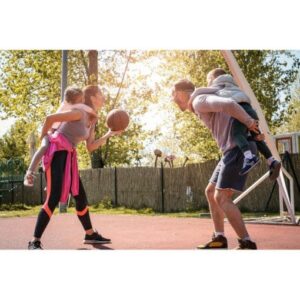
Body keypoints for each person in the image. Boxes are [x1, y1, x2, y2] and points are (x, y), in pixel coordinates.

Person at [28, 85, 122, 250]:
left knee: (80, 197)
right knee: (53, 197)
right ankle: (35, 241)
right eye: (101, 94)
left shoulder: (91, 118)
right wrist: (45, 140)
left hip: (69, 156)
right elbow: (50, 118)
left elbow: (90, 146)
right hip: (57, 153)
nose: (104, 97)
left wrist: (109, 134)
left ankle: (90, 234)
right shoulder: (79, 112)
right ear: (92, 97)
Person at [172, 79, 259, 249]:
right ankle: (219, 238)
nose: (174, 99)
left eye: (174, 95)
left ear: (182, 92)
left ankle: (246, 243)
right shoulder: (201, 100)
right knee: (211, 192)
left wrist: (249, 122)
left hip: (237, 150)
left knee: (222, 197)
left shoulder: (198, 100)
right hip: (229, 151)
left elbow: (228, 104)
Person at [191, 68, 281, 179]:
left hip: (241, 110)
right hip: (251, 111)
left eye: (208, 80)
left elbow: (202, 91)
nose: (208, 84)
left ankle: (249, 158)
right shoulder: (234, 85)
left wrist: (192, 97)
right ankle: (271, 160)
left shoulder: (218, 85)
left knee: (237, 134)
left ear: (213, 79)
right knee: (257, 138)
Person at [23, 86, 97, 187]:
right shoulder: (70, 105)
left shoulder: (77, 106)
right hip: (49, 133)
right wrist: (43, 135)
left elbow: (86, 108)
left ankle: (50, 184)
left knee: (59, 161)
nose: (82, 102)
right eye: (80, 100)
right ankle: (29, 173)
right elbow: (49, 119)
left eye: (82, 99)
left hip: (57, 136)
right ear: (71, 102)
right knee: (44, 147)